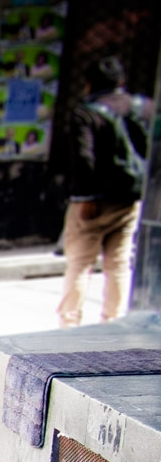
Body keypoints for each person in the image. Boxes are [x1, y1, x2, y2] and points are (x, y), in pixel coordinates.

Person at [56, 55, 153, 328]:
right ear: (120, 81)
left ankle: (69, 324)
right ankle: (113, 321)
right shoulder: (143, 108)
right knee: (119, 262)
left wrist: (86, 197)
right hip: (131, 197)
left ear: (89, 83)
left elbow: (84, 159)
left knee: (79, 263)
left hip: (94, 201)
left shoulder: (86, 114)